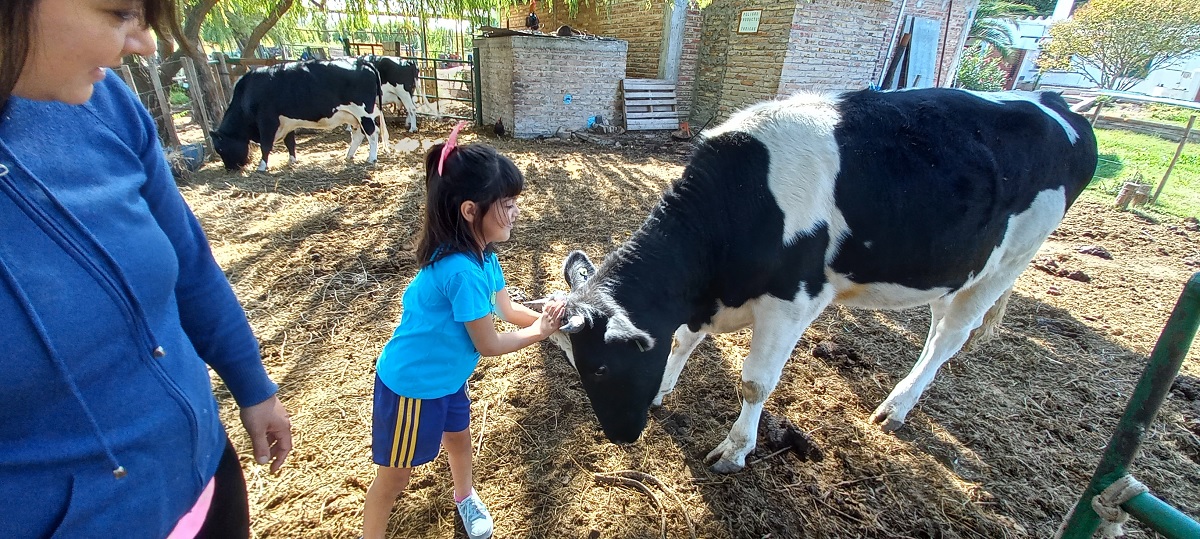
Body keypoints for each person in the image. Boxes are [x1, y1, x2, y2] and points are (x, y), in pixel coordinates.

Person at [0, 1, 293, 537]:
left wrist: (253, 384)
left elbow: (190, 264)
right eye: (119, 13)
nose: (147, 43)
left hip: (208, 476)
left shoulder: (105, 102)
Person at [362, 122, 565, 539]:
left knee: (459, 437)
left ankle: (465, 496)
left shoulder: (483, 256)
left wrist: (552, 320)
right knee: (394, 479)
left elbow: (508, 311)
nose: (516, 212)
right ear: (470, 210)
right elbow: (488, 343)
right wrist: (541, 332)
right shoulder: (460, 272)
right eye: (507, 204)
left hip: (448, 379)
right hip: (413, 388)